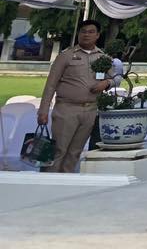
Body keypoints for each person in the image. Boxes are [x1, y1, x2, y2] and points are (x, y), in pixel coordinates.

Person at [37, 19, 116, 173]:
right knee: (58, 150)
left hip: (90, 110)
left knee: (75, 152)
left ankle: (66, 183)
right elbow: (51, 85)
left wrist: (106, 83)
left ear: (98, 35)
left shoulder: (103, 58)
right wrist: (43, 110)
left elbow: (116, 78)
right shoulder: (66, 56)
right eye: (83, 31)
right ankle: (48, 183)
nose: (86, 35)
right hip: (67, 109)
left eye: (91, 32)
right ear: (79, 34)